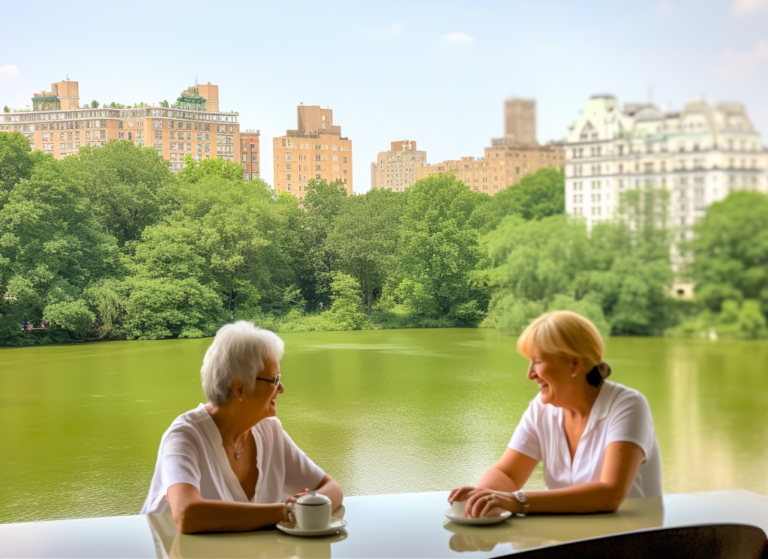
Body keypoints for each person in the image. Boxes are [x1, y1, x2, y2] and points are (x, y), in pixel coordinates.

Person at [449, 311, 661, 518]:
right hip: (568, 541)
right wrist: (484, 496)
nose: (530, 373)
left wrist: (517, 501)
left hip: (630, 542)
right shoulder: (541, 408)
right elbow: (507, 474)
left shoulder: (628, 405)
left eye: (538, 361)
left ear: (574, 363)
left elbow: (610, 494)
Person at [141, 321, 343, 533]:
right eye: (274, 380)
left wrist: (301, 506)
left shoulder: (269, 431)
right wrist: (288, 511)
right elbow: (186, 514)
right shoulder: (183, 436)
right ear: (239, 389)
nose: (281, 389)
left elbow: (332, 489)